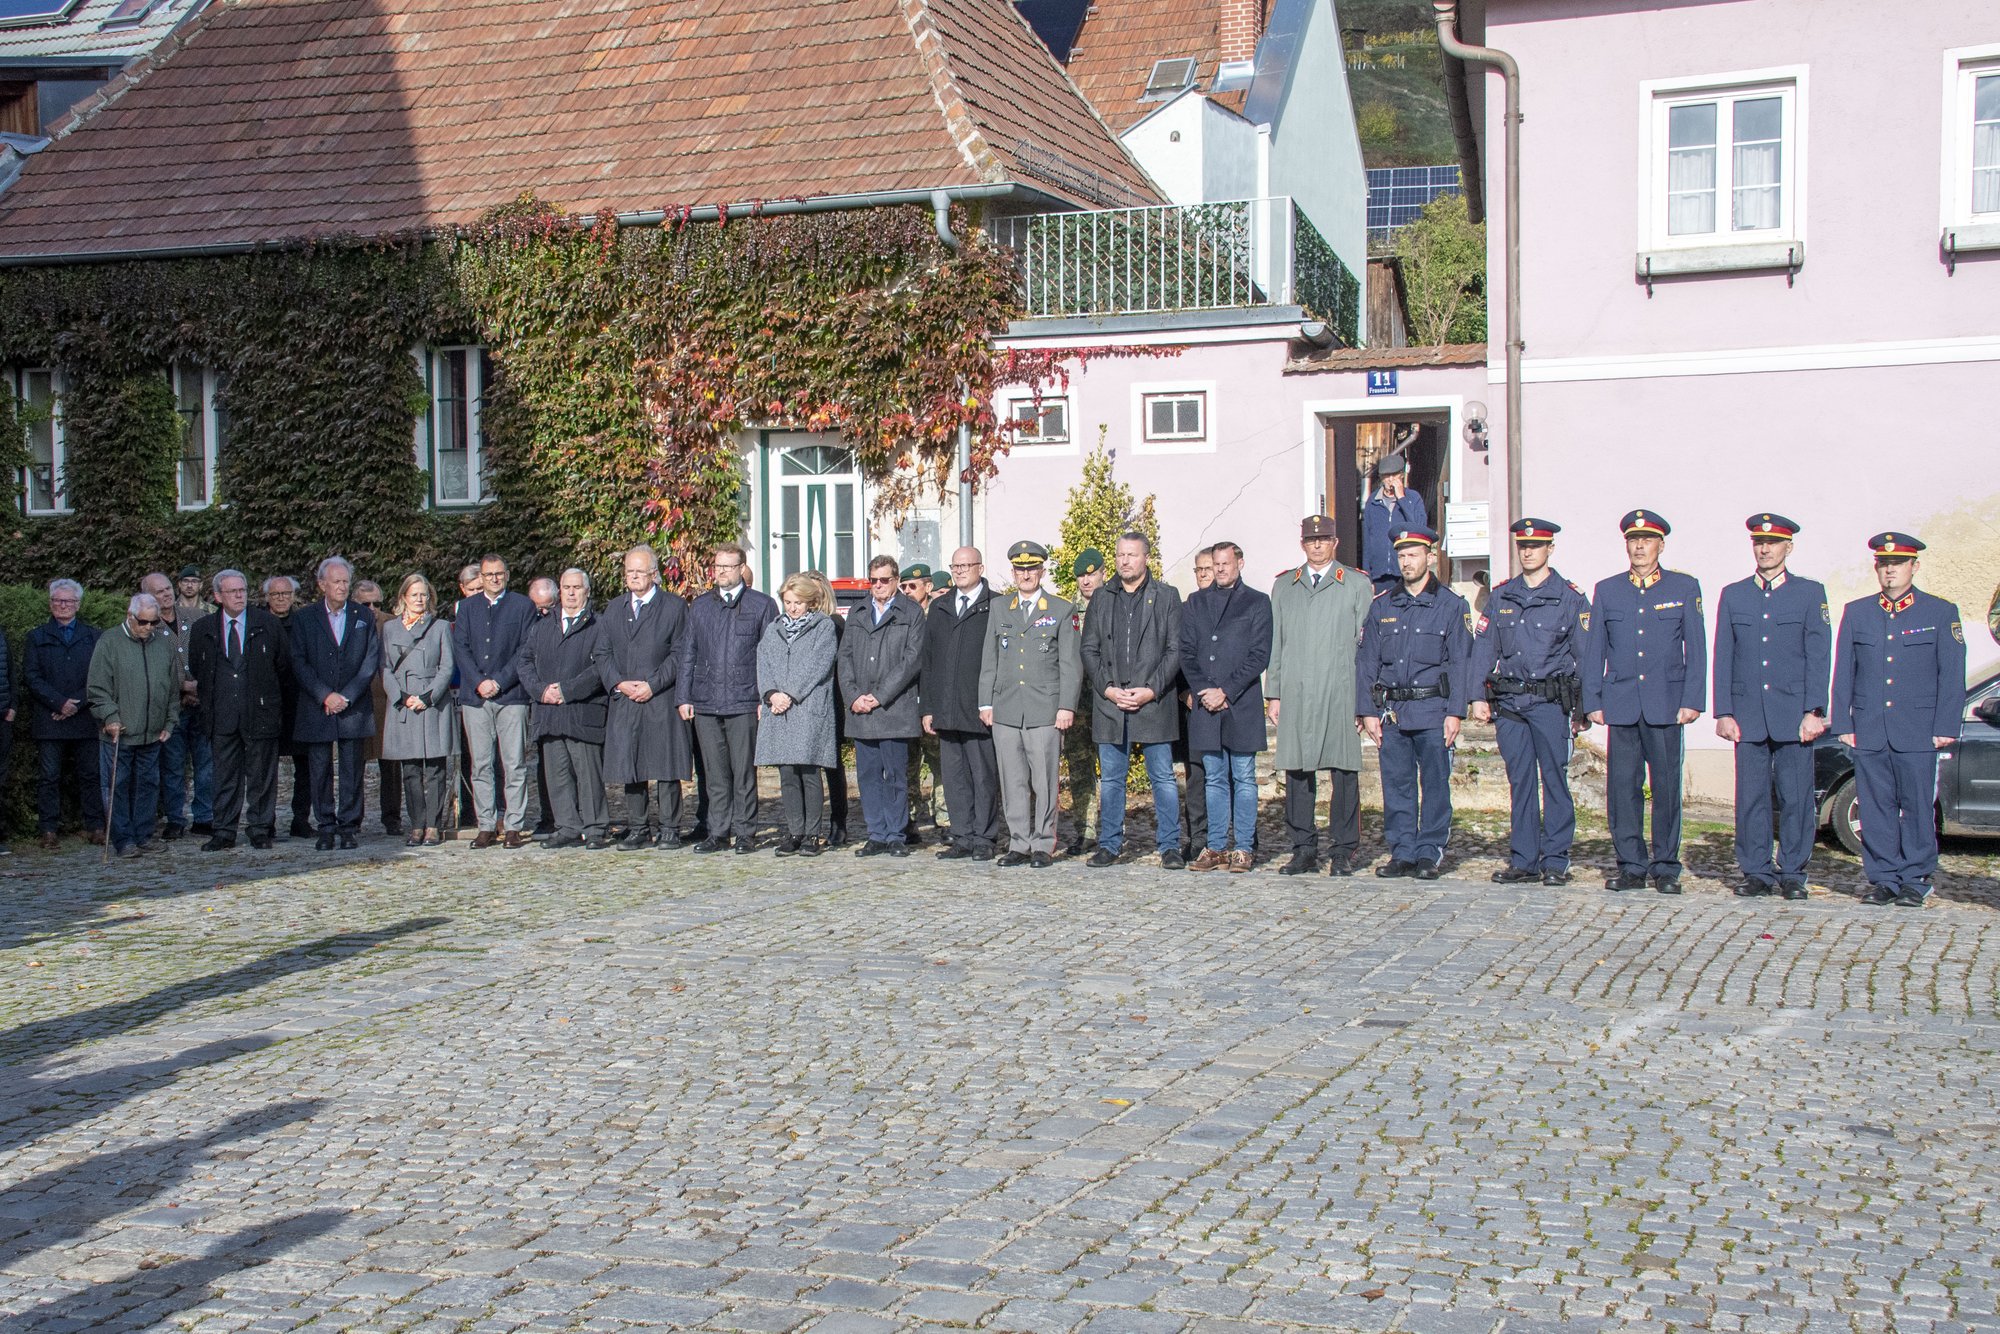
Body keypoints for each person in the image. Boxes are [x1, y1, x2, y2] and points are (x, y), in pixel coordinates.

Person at [1831, 532, 1966, 908]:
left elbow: (1951, 674)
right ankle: (1884, 877)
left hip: (1918, 729)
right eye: (1883, 564)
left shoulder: (1939, 612)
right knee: (1875, 808)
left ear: (1914, 566)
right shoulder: (1858, 612)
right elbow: (1844, 672)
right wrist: (1844, 723)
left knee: (1918, 805)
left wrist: (1945, 726)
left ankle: (1916, 877)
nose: (1889, 570)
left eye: (1898, 563)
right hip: (1871, 728)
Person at [1582, 510, 1707, 894]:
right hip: (1621, 702)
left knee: (1667, 787)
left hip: (1666, 703)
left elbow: (1696, 649)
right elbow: (1594, 650)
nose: (1639, 546)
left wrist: (1693, 700)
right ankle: (1631, 864)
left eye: (1647, 540)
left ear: (1660, 545)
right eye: (1633, 540)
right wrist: (1593, 700)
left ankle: (1666, 865)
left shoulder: (1683, 587)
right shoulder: (1609, 589)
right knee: (1623, 788)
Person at [1713, 514, 1832, 902]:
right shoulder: (1734, 594)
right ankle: (1756, 870)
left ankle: (1794, 871)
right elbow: (1724, 655)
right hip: (1747, 714)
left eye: (1773, 543)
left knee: (1796, 796)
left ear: (1788, 548)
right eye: (1758, 543)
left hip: (1794, 714)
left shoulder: (1809, 593)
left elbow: (1818, 655)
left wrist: (1815, 710)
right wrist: (1724, 711)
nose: (1765, 549)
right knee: (1750, 797)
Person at [1468, 519, 1591, 886]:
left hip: (1550, 704)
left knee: (1554, 780)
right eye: (1523, 546)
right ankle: (1523, 859)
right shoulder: (1503, 595)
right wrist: (1477, 695)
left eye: (1535, 546)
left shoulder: (1570, 597)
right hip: (1510, 704)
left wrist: (1584, 708)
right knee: (1520, 781)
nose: (1528, 552)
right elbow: (1483, 648)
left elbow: (1584, 656)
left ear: (1549, 549)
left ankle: (1555, 859)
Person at [1357, 524, 1473, 878]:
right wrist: (1367, 711)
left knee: (1435, 785)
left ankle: (1430, 851)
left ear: (1430, 557)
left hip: (1433, 710)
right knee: (1397, 785)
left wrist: (1456, 712)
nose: (1406, 562)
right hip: (1393, 712)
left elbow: (1460, 663)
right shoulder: (1383, 606)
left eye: (1413, 555)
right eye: (1402, 555)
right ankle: (1402, 850)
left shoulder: (1452, 605)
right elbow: (1367, 662)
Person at [1265, 516, 1372, 877]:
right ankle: (1303, 848)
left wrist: (1365, 701)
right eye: (1311, 540)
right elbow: (1277, 644)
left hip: (1340, 690)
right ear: (1302, 544)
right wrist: (1274, 692)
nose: (1317, 545)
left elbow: (1366, 648)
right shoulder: (1285, 587)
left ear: (1335, 542)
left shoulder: (1355, 585)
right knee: (1297, 770)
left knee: (1344, 769)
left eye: (1324, 539)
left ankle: (1343, 849)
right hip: (1296, 690)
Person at [1081, 532, 1184, 869]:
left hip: (1153, 701)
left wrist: (1152, 689)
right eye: (1120, 555)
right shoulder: (1101, 598)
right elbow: (1089, 649)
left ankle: (1170, 846)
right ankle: (1109, 845)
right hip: (1111, 702)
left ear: (1146, 558)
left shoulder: (1167, 597)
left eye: (1132, 555)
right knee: (1111, 779)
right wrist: (1108, 688)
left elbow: (1174, 650)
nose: (1124, 561)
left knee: (1163, 779)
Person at [978, 540, 1081, 867]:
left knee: (1044, 781)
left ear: (1042, 571)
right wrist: (985, 702)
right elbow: (989, 660)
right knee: (1012, 781)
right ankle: (1019, 843)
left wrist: (1067, 706)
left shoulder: (1061, 610)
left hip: (1044, 710)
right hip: (1006, 708)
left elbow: (1070, 665)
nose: (1026, 575)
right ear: (1013, 572)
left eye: (1032, 569)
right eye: (1020, 569)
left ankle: (1043, 843)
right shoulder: (999, 609)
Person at [677, 543, 778, 853]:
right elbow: (688, 653)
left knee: (743, 772)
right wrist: (684, 696)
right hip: (706, 701)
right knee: (715, 773)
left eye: (727, 567)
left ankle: (746, 832)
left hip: (745, 700)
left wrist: (766, 697)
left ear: (741, 570)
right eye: (717, 566)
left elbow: (770, 655)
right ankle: (718, 831)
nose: (720, 572)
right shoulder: (701, 606)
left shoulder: (761, 605)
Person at [1182, 541, 1272, 872]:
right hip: (1206, 704)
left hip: (1240, 702)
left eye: (1225, 563)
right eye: (1215, 564)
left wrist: (1226, 691)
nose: (1220, 569)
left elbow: (1259, 655)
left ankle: (1244, 847)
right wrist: (1205, 689)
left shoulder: (1258, 602)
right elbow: (1187, 652)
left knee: (1244, 777)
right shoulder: (1195, 602)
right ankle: (1217, 846)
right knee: (1214, 778)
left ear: (1240, 564)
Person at [185, 569, 290, 851]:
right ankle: (224, 830)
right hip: (221, 715)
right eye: (233, 591)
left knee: (261, 776)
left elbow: (282, 666)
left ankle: (260, 828)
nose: (240, 595)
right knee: (224, 777)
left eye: (242, 590)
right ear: (218, 596)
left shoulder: (267, 624)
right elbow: (198, 667)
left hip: (260, 711)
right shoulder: (203, 628)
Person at [600, 544, 694, 848]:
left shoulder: (674, 607)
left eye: (640, 571)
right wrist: (618, 682)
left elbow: (680, 653)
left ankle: (669, 828)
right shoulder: (614, 608)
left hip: (661, 697)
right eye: (629, 571)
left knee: (666, 766)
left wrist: (653, 684)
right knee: (631, 765)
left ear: (654, 574)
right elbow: (602, 652)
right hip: (625, 697)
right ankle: (638, 827)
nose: (634, 577)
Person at [289, 555, 381, 850]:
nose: (342, 587)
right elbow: (298, 661)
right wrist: (324, 695)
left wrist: (348, 695)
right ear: (322, 585)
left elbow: (370, 661)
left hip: (353, 704)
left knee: (352, 767)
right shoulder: (304, 618)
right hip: (318, 704)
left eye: (345, 582)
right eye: (336, 582)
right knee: (319, 767)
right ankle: (325, 824)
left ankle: (349, 825)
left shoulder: (363, 617)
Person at [838, 554, 927, 857]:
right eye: (873, 580)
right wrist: (853, 696)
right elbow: (845, 658)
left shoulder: (911, 612)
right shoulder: (858, 611)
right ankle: (876, 833)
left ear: (896, 580)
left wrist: (878, 696)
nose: (878, 585)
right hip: (861, 709)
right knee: (868, 775)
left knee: (895, 774)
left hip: (894, 708)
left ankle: (896, 834)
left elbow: (911, 661)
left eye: (884, 580)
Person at [517, 568, 610, 850]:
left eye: (576, 587)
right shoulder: (542, 626)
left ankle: (595, 828)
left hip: (583, 711)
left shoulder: (599, 625)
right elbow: (524, 662)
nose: (571, 593)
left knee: (588, 775)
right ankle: (567, 825)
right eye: (566, 587)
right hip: (549, 713)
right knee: (556, 774)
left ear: (587, 591)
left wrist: (567, 691)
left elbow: (601, 668)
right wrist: (541, 690)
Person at [452, 553, 537, 849]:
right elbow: (460, 648)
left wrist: (499, 681)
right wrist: (479, 682)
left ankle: (513, 824)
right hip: (475, 697)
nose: (494, 579)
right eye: (489, 575)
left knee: (513, 762)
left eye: (499, 574)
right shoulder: (466, 608)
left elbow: (525, 649)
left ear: (507, 575)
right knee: (481, 764)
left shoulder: (523, 606)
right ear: (481, 578)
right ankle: (486, 824)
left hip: (511, 694)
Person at [86, 593, 180, 858]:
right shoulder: (109, 642)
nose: (149, 628)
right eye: (144, 622)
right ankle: (123, 839)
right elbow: (97, 688)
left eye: (154, 623)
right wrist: (110, 716)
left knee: (149, 785)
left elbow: (172, 688)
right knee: (118, 786)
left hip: (153, 732)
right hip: (120, 732)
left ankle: (143, 835)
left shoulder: (163, 644)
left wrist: (170, 721)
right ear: (130, 616)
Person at [923, 546, 1001, 860]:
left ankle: (984, 838)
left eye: (966, 565)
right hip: (946, 707)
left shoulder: (995, 605)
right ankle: (963, 837)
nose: (959, 571)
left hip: (979, 707)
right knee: (953, 778)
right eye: (955, 566)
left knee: (983, 777)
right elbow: (927, 661)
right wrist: (927, 707)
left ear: (980, 567)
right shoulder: (940, 606)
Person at [757, 572, 841, 857]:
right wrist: (771, 694)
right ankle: (795, 831)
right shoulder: (774, 628)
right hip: (779, 710)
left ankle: (812, 835)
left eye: (798, 602)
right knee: (787, 773)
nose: (792, 607)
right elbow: (763, 663)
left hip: (807, 708)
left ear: (811, 602)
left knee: (808, 771)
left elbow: (819, 665)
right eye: (788, 601)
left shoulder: (823, 627)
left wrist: (790, 694)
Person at [380, 573, 458, 847]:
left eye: (424, 594)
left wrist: (428, 696)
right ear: (403, 597)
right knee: (410, 769)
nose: (419, 599)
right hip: (403, 705)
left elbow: (447, 666)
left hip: (432, 704)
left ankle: (433, 826)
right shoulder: (389, 629)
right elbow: (385, 667)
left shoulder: (440, 627)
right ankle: (416, 825)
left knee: (436, 768)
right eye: (414, 594)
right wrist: (401, 697)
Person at [24, 579, 104, 849]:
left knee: (91, 775)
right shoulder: (36, 637)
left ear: (78, 605)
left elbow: (100, 676)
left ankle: (96, 826)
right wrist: (59, 703)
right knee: (49, 777)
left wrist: (76, 704)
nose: (63, 605)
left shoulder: (94, 636)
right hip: (50, 718)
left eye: (68, 601)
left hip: (84, 717)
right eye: (58, 600)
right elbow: (32, 677)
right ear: (50, 603)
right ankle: (48, 830)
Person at [141, 570, 211, 839]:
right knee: (172, 765)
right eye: (159, 592)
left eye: (168, 588)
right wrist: (183, 686)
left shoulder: (197, 618)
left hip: (201, 703)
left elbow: (210, 654)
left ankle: (205, 816)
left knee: (206, 763)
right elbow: (151, 667)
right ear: (148, 596)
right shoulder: (147, 626)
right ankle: (175, 819)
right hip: (171, 707)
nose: (167, 594)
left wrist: (199, 686)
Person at [1061, 549, 1106, 856]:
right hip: (1078, 703)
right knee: (1079, 769)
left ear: (1103, 573)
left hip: (1108, 702)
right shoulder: (1068, 613)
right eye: (1081, 575)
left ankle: (1114, 830)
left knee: (1114, 770)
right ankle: (1085, 831)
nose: (1086, 580)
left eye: (1091, 573)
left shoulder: (1116, 606)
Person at [265, 574, 316, 839]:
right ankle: (266, 820)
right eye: (276, 595)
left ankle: (300, 819)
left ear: (294, 596)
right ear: (267, 598)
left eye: (286, 594)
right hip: (270, 704)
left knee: (305, 767)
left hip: (300, 702)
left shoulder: (305, 622)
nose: (282, 599)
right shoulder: (259, 623)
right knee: (266, 767)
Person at [898, 562, 945, 844]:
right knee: (908, 765)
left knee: (940, 765)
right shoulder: (901, 616)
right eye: (903, 587)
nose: (906, 591)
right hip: (905, 702)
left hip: (932, 701)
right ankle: (910, 820)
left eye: (911, 586)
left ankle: (945, 820)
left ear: (927, 587)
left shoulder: (938, 615)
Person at [1174, 545, 1215, 859]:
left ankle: (1238, 839)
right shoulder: (1187, 608)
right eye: (1198, 570)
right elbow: (1179, 653)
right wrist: (1183, 692)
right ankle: (1197, 837)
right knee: (1196, 775)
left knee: (1230, 774)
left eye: (1207, 569)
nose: (1202, 575)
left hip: (1229, 703)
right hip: (1194, 705)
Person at [353, 579, 402, 838]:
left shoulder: (393, 622)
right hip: (358, 701)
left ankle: (392, 818)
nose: (372, 608)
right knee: (354, 763)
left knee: (391, 765)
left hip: (387, 701)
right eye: (365, 603)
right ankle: (353, 817)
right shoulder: (348, 620)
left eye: (376, 603)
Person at [1360, 451, 1428, 591]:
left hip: (1406, 572)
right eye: (1386, 476)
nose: (1390, 479)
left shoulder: (1413, 498)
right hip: (1379, 574)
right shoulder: (1373, 501)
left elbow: (1419, 529)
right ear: (1380, 477)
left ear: (1402, 475)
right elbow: (1366, 540)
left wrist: (1401, 498)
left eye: (1394, 475)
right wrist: (1368, 576)